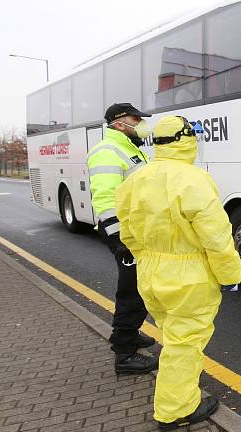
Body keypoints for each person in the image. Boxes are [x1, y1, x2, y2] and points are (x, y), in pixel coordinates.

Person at [115, 115, 241, 430]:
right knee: (184, 343)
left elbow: (127, 231)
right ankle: (176, 410)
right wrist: (230, 276)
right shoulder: (194, 180)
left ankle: (178, 400)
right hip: (190, 278)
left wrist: (146, 259)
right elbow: (216, 238)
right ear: (186, 140)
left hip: (150, 274)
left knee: (173, 335)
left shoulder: (136, 179)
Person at [87, 102, 158, 375]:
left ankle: (130, 333)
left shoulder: (131, 149)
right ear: (119, 123)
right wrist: (120, 239)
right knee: (132, 290)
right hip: (124, 232)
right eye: (136, 119)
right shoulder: (107, 152)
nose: (140, 124)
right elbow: (105, 198)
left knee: (140, 286)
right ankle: (124, 354)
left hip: (135, 230)